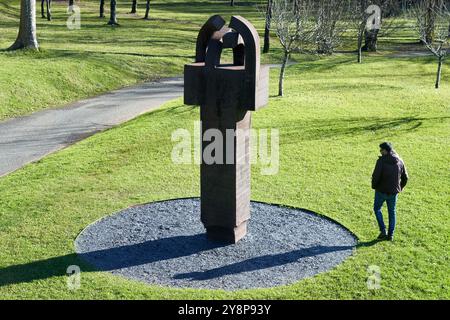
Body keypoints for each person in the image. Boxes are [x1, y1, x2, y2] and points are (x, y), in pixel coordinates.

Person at [371, 142, 409, 241]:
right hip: (393, 192)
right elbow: (405, 178)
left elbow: (375, 176)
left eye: (381, 150)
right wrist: (400, 188)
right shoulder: (400, 160)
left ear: (386, 150)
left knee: (377, 209)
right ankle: (390, 235)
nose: (380, 151)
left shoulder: (381, 161)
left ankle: (383, 231)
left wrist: (374, 186)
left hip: (381, 191)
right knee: (392, 213)